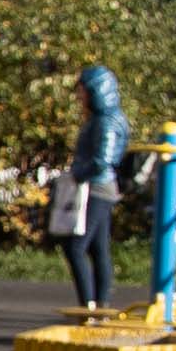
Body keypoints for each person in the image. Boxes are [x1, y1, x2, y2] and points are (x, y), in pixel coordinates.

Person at [53, 66, 131, 314]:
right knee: (98, 249)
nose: (79, 96)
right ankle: (100, 306)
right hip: (99, 186)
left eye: (83, 91)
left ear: (97, 91)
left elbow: (103, 159)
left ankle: (89, 307)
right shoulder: (102, 118)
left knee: (75, 246)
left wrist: (77, 174)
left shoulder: (106, 121)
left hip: (98, 187)